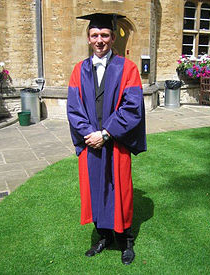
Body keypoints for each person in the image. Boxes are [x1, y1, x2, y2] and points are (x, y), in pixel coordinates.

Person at [67, 13, 146, 265]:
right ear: (89, 39)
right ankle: (103, 236)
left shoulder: (128, 68)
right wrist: (89, 134)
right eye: (94, 35)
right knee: (95, 189)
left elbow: (132, 107)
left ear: (113, 38)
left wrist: (105, 133)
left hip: (116, 141)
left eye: (104, 35)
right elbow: (73, 108)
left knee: (121, 191)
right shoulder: (78, 70)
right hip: (91, 143)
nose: (99, 40)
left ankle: (125, 240)